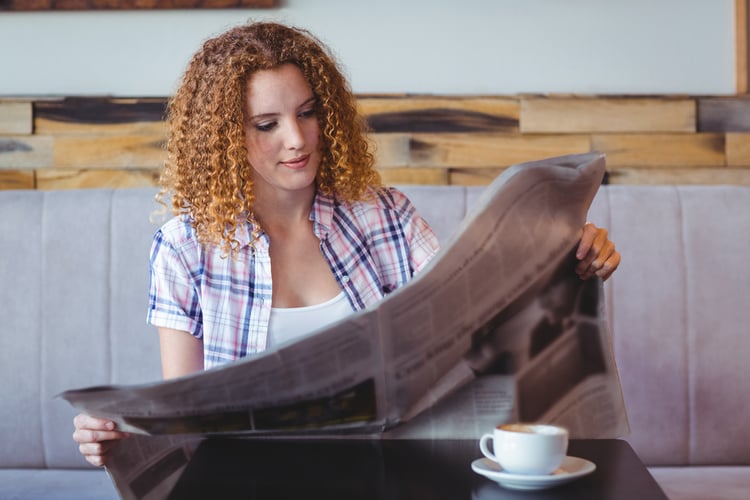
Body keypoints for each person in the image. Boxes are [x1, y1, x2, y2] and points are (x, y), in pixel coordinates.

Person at [72, 21, 621, 467]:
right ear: (224, 139)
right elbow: (182, 419)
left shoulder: (384, 217)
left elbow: (487, 317)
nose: (298, 138)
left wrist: (570, 260)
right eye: (266, 123)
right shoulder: (184, 249)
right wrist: (118, 439)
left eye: (308, 112)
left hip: (382, 474)